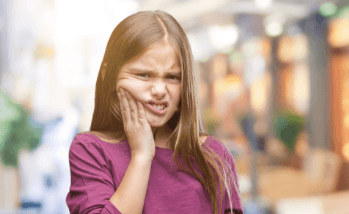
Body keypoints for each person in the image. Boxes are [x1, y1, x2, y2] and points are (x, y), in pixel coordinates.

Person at [66, 10, 243, 214]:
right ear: (109, 76)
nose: (160, 90)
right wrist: (141, 156)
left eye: (173, 77)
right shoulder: (91, 150)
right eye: (144, 75)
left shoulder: (213, 155)